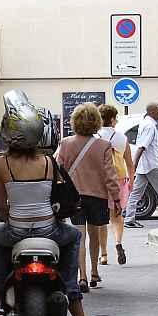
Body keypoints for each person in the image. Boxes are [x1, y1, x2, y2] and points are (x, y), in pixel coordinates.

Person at [0, 91, 95, 316]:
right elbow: (55, 200)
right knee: (74, 236)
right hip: (49, 231)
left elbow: (3, 205)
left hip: (15, 231)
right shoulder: (49, 162)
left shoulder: (2, 164)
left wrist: (10, 217)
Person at [55, 103, 121, 291]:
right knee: (94, 234)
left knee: (79, 236)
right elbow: (111, 175)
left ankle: (81, 277)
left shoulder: (65, 144)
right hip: (98, 197)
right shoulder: (103, 145)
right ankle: (94, 272)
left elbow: (59, 172)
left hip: (74, 197)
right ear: (97, 122)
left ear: (74, 121)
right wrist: (116, 199)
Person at [96, 104, 134, 265]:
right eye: (116, 118)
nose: (117, 121)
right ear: (112, 119)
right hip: (119, 179)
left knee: (101, 220)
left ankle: (104, 254)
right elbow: (129, 163)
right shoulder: (121, 138)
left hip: (100, 180)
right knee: (117, 217)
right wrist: (131, 180)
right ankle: (118, 243)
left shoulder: (95, 137)